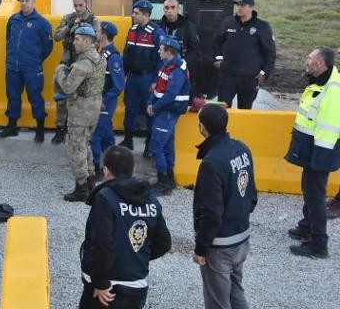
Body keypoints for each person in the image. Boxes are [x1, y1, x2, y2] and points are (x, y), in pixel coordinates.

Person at [79, 145, 171, 309]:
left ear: (106, 171)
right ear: (133, 169)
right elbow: (164, 243)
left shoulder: (105, 198)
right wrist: (134, 256)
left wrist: (100, 282)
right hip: (136, 286)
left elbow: (101, 243)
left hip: (105, 290)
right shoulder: (150, 199)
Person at [193, 104, 257, 308]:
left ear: (202, 127)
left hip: (220, 246)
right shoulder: (242, 148)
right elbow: (251, 194)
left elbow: (211, 213)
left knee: (218, 302)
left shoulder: (211, 163)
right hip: (241, 237)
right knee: (236, 293)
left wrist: (201, 248)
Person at [285, 46, 340, 259]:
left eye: (310, 58)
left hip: (320, 154)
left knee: (316, 197)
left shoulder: (332, 90)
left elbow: (329, 128)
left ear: (320, 63)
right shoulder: (320, 82)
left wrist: (320, 160)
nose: (306, 61)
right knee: (309, 191)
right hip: (311, 151)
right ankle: (306, 226)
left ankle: (318, 245)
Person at [54, 25, 105, 201]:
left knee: (76, 148)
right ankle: (91, 182)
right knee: (85, 145)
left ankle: (82, 188)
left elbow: (68, 87)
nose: (74, 42)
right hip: (93, 109)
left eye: (77, 39)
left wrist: (60, 71)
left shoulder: (83, 64)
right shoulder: (99, 58)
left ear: (87, 41)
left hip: (80, 112)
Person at [0, 0, 53, 142]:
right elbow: (9, 39)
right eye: (22, 1)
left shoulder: (42, 23)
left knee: (35, 97)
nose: (24, 4)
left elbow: (48, 46)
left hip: (32, 68)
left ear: (34, 2)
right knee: (13, 96)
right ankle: (12, 126)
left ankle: (40, 129)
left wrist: (35, 59)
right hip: (13, 67)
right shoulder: (13, 19)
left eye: (27, 1)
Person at [119, 0, 166, 157]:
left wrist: (155, 81)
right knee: (130, 109)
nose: (133, 15)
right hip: (133, 77)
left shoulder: (157, 33)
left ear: (145, 14)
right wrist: (123, 75)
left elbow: (161, 60)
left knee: (149, 111)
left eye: (136, 13)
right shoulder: (132, 30)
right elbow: (126, 54)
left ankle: (148, 147)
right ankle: (128, 140)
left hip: (147, 77)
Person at [213, 0, 276, 109]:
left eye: (242, 5)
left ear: (251, 7)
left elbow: (270, 52)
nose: (239, 8)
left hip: (249, 77)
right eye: (237, 5)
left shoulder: (262, 27)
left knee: (245, 109)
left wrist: (265, 72)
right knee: (221, 108)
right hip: (228, 74)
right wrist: (218, 59)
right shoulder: (228, 22)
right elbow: (217, 41)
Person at [52, 0, 98, 144]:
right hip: (66, 63)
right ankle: (60, 128)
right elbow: (57, 36)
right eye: (75, 5)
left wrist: (84, 31)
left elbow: (96, 42)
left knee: (79, 99)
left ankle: (76, 131)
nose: (78, 8)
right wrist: (69, 27)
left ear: (86, 3)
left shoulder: (93, 20)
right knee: (61, 98)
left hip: (83, 66)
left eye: (81, 5)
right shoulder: (69, 18)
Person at [147, 36, 190, 196]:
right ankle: (168, 178)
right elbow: (158, 87)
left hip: (168, 111)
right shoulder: (168, 65)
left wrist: (155, 107)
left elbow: (170, 94)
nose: (158, 50)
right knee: (167, 144)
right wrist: (151, 101)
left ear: (169, 52)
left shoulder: (177, 70)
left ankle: (163, 181)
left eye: (161, 48)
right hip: (165, 110)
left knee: (157, 145)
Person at [90, 21, 125, 180]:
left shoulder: (113, 56)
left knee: (95, 136)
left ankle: (97, 169)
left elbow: (119, 85)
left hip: (105, 103)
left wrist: (104, 100)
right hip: (100, 100)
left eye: (98, 31)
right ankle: (117, 167)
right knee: (107, 138)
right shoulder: (102, 51)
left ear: (103, 33)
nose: (96, 33)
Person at [156, 0, 201, 99]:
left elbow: (195, 50)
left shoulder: (189, 27)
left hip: (181, 68)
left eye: (173, 7)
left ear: (178, 9)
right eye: (166, 8)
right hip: (162, 68)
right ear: (163, 9)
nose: (169, 10)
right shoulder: (158, 27)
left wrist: (182, 63)